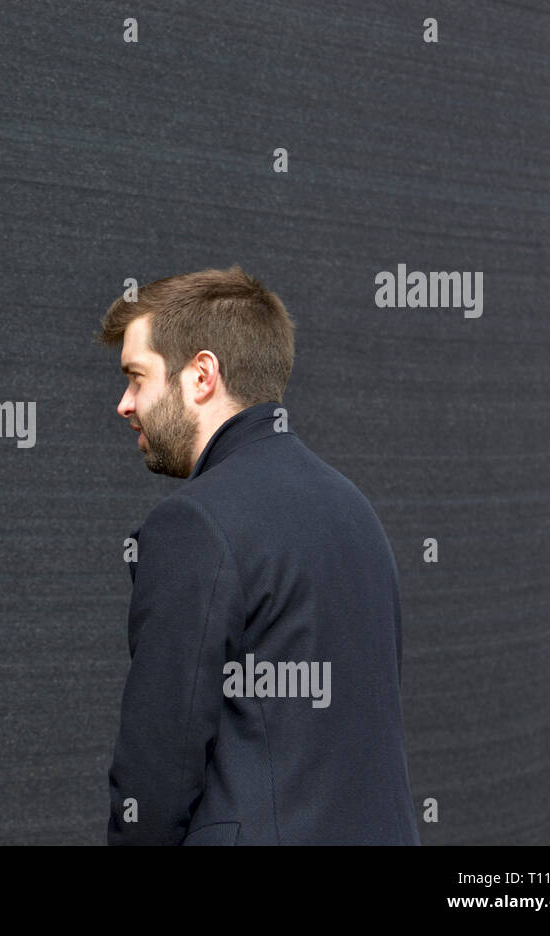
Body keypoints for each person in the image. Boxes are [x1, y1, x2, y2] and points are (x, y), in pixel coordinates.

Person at [99, 267, 419, 845]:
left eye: (136, 377)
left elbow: (156, 769)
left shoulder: (191, 523)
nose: (125, 404)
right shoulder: (355, 510)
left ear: (201, 375)